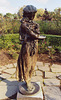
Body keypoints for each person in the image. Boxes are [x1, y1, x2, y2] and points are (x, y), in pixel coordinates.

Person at [16, 5, 41, 91]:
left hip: (34, 46)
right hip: (27, 47)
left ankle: (29, 79)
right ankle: (27, 81)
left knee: (33, 65)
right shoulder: (23, 25)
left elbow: (37, 33)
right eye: (33, 14)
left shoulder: (35, 24)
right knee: (27, 65)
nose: (33, 16)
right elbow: (33, 34)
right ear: (28, 14)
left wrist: (34, 33)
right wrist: (33, 34)